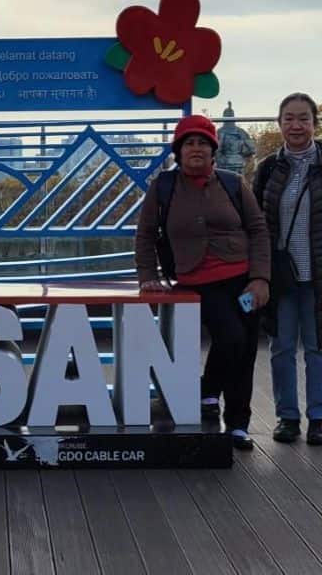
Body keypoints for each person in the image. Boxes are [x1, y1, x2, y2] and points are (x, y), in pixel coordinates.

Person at [135, 114, 270, 450]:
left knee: (245, 350)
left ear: (213, 150)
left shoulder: (234, 183)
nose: (195, 149)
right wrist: (148, 276)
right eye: (188, 143)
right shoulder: (163, 187)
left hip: (243, 279)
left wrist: (260, 278)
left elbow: (258, 230)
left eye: (202, 143)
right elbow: (146, 234)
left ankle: (238, 423)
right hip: (198, 281)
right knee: (233, 338)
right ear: (178, 151)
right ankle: (208, 390)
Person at [253, 92, 322, 445]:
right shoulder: (267, 168)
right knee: (281, 347)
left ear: (314, 122)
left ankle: (319, 417)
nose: (296, 125)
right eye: (289, 118)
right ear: (279, 123)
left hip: (318, 274)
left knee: (317, 347)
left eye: (304, 118)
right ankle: (287, 417)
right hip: (281, 276)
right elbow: (255, 223)